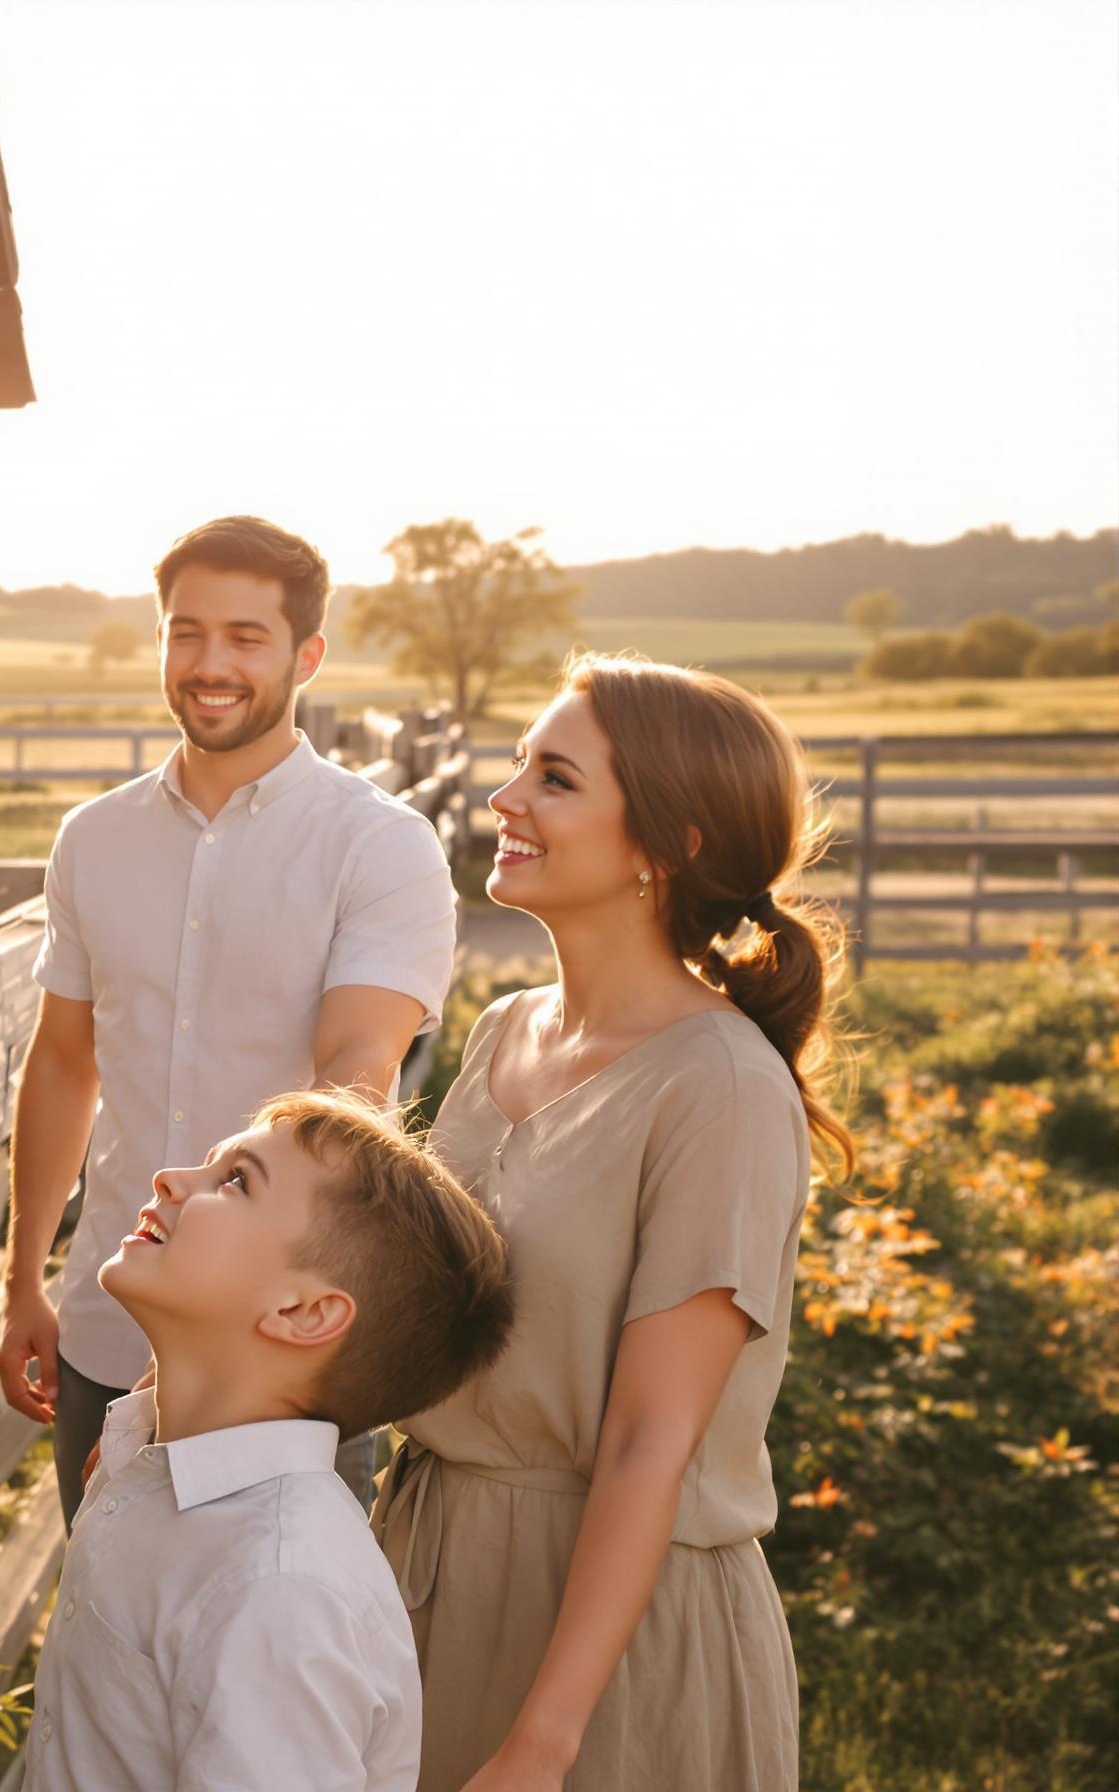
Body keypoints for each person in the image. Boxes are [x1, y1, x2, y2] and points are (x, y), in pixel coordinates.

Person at [371, 651, 853, 1792]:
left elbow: (650, 1443)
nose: (505, 800)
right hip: (427, 1576)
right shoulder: (503, 1032)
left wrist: (545, 1739)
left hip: (603, 1644)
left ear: (665, 845)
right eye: (516, 768)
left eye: (555, 777)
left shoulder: (719, 1088)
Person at [0, 515, 459, 1524]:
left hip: (277, 1363)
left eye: (245, 637)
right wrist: (24, 1275)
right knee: (104, 1644)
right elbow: (66, 1063)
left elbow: (353, 1073)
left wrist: (214, 1323)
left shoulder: (380, 848)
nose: (209, 664)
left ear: (307, 656)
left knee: (273, 1654)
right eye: (185, 631)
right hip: (105, 1337)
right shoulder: (92, 839)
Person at [22, 1090, 515, 1791]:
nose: (171, 1178)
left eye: (234, 1181)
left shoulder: (279, 1596)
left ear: (304, 1311)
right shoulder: (144, 1458)